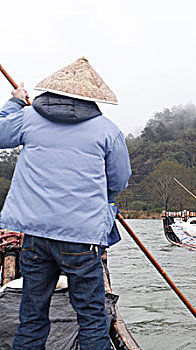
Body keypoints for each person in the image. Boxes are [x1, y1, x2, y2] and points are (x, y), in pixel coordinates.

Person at [0, 58, 131, 349]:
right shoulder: (107, 131)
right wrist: (99, 198)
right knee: (92, 317)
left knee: (32, 315)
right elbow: (119, 182)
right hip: (81, 239)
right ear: (91, 97)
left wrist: (16, 103)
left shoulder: (28, 118)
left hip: (35, 234)